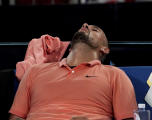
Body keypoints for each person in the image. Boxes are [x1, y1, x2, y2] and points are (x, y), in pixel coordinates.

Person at [9, 23, 137, 120]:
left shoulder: (115, 75)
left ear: (105, 49)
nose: (85, 25)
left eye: (95, 29)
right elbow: (16, 117)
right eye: (85, 26)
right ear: (70, 48)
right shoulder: (34, 71)